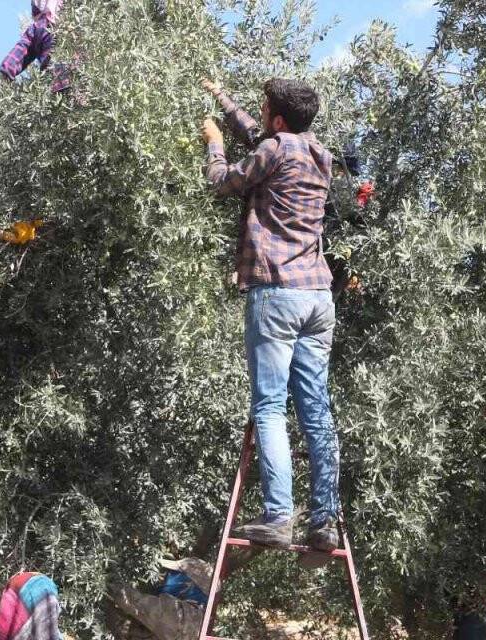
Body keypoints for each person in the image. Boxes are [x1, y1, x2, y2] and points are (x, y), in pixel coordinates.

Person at [200, 78, 339, 551]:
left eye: (264, 111)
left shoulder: (275, 149)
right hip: (318, 297)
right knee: (315, 410)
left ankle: (278, 515)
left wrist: (215, 144)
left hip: (277, 294)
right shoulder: (319, 154)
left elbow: (223, 182)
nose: (259, 116)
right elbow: (263, 138)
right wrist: (223, 98)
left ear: (278, 119)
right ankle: (324, 521)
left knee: (270, 407)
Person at [0, 0, 64, 92]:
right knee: (59, 56)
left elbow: (36, 11)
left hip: (39, 24)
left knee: (23, 48)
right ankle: (62, 88)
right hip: (58, 24)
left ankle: (3, 76)